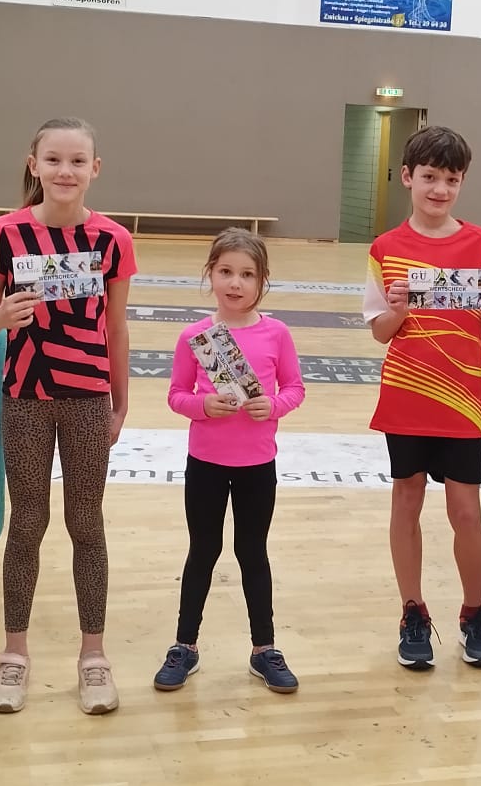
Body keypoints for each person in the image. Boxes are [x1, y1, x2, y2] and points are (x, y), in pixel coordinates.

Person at [0, 117, 135, 715]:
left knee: (86, 523)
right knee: (27, 523)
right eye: (54, 160)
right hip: (24, 397)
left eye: (77, 161)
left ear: (95, 168)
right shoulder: (7, 232)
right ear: (34, 164)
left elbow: (116, 326)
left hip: (88, 398)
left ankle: (94, 656)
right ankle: (13, 653)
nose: (65, 171)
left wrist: (121, 401)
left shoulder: (112, 239)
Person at [363, 125, 481, 670]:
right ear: (408, 177)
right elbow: (380, 332)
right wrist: (397, 310)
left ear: (462, 182)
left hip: (462, 400)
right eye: (429, 177)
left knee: (466, 511)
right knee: (407, 499)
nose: (439, 189)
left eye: (451, 179)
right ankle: (413, 611)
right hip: (407, 396)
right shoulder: (385, 249)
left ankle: (474, 613)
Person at [153, 229, 306, 694]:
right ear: (210, 275)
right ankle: (185, 646)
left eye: (247, 274)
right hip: (206, 463)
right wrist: (202, 406)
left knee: (252, 552)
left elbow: (295, 388)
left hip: (257, 465)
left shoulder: (277, 334)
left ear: (262, 280)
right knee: (202, 551)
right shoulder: (195, 336)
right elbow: (176, 394)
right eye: (225, 272)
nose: (235, 283)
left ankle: (264, 649)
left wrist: (273, 406)